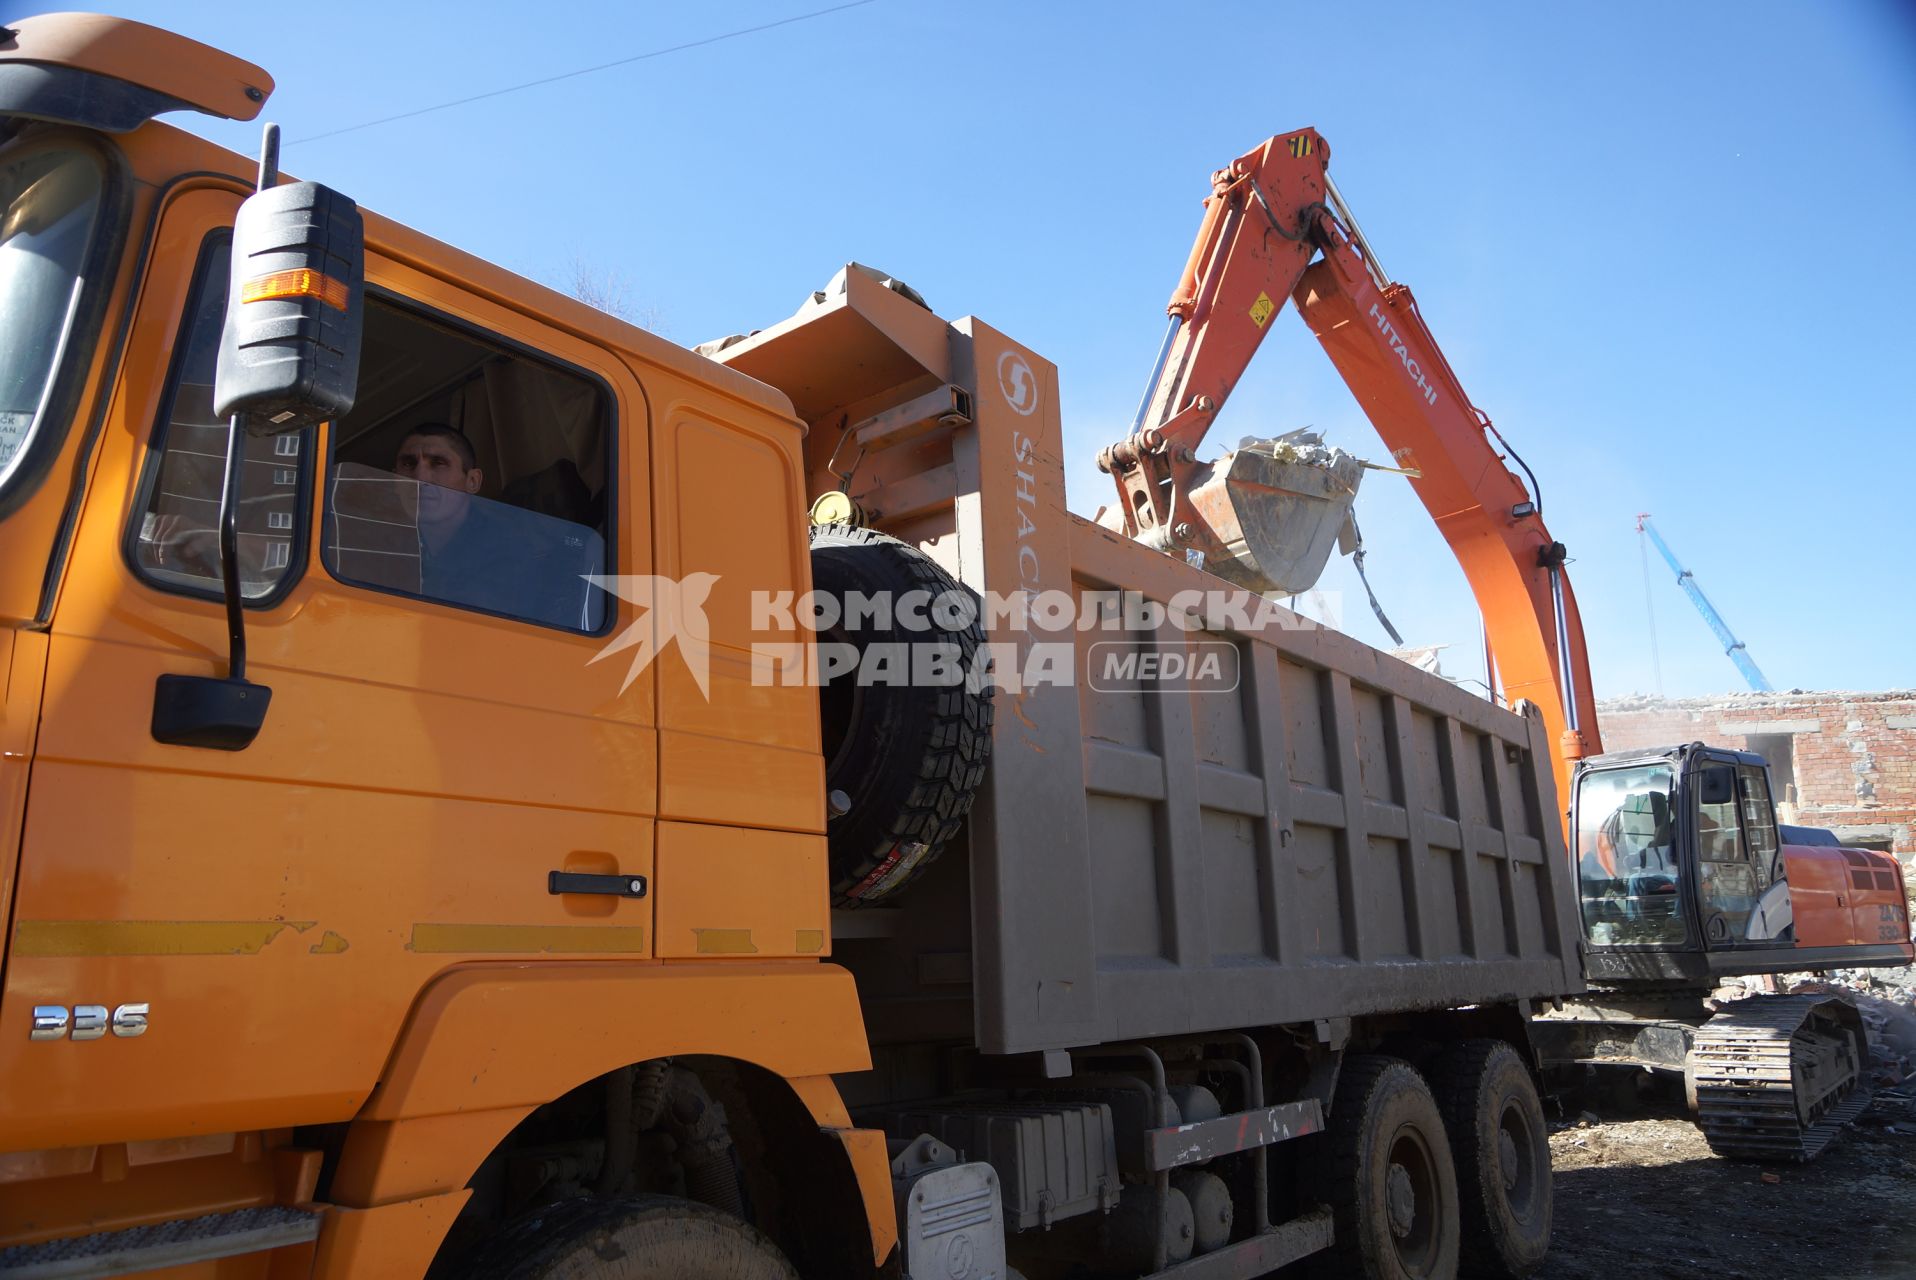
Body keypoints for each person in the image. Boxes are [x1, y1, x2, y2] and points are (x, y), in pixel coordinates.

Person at [391, 423, 599, 627]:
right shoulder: (388, 541)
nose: (420, 477)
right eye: (409, 464)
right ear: (393, 480)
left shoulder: (506, 554)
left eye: (438, 463)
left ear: (472, 481)